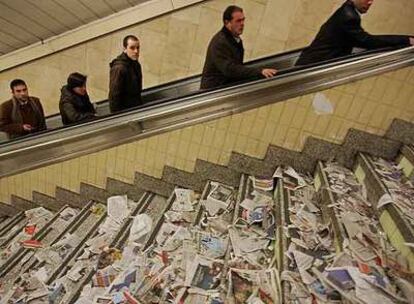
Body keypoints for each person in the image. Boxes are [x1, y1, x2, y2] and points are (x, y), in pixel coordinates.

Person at [296, 0, 414, 66]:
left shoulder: (347, 10)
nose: (370, 3)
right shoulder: (349, 17)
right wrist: (406, 40)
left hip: (310, 60)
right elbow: (367, 41)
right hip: (313, 65)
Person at [200, 5, 277, 90]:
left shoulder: (235, 39)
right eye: (238, 21)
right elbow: (230, 69)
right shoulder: (220, 42)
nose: (242, 24)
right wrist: (259, 72)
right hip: (213, 91)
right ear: (227, 23)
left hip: (224, 86)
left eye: (243, 20)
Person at [108, 35, 143, 113]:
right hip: (126, 112)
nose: (136, 51)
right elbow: (114, 95)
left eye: (138, 48)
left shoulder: (135, 64)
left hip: (135, 108)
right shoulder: (119, 68)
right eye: (132, 48)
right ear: (124, 49)